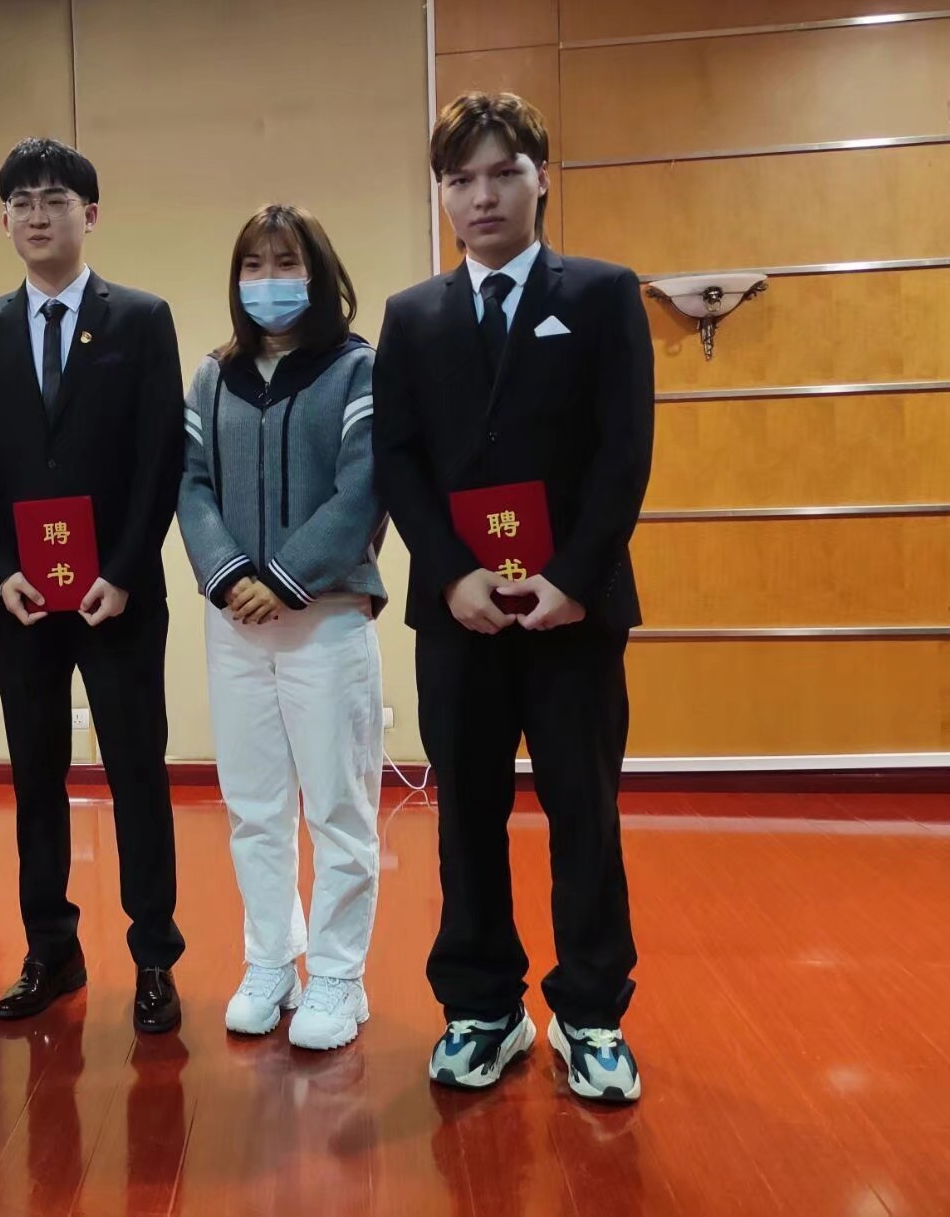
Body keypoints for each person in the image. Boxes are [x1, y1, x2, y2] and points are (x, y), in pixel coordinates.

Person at [373, 92, 655, 1103]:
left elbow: (625, 451)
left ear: (543, 176)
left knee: (585, 811)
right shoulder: (412, 315)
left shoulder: (603, 294)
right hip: (460, 614)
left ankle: (591, 1012)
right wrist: (454, 573)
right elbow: (398, 457)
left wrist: (571, 577)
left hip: (574, 611)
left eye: (503, 173)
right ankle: (483, 1006)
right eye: (461, 179)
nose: (482, 196)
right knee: (466, 815)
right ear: (443, 193)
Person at [0, 137, 187, 1034]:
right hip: (23, 600)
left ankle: (154, 954)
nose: (37, 215)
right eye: (21, 201)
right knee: (36, 777)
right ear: (4, 219)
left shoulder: (142, 320)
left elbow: (160, 456)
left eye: (54, 199)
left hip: (118, 598)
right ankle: (51, 948)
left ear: (90, 214)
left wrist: (123, 571)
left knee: (137, 772)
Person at [178, 204, 387, 1051]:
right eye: (254, 265)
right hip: (235, 622)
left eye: (286, 262)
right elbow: (191, 483)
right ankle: (271, 959)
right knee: (254, 807)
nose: (269, 280)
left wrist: (287, 578)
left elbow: (363, 488)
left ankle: (338, 974)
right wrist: (231, 575)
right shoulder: (213, 376)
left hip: (325, 617)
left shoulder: (356, 369)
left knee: (339, 806)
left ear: (319, 272)